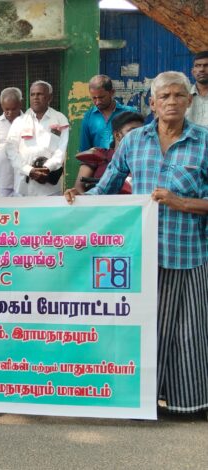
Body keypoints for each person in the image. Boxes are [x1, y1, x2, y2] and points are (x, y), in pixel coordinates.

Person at [65, 71, 208, 415]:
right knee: (143, 329)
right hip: (141, 254)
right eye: (165, 96)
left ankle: (189, 404)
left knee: (189, 333)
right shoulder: (134, 141)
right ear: (153, 104)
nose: (172, 102)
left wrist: (181, 202)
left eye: (179, 95)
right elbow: (106, 187)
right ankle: (142, 401)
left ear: (189, 101)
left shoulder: (204, 142)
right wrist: (77, 199)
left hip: (189, 253)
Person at [4, 81, 70, 197]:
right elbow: (11, 150)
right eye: (32, 94)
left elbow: (61, 150)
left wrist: (47, 168)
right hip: (23, 186)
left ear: (49, 97)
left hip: (49, 188)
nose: (35, 97)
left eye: (39, 94)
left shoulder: (60, 119)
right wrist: (28, 170)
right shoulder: (19, 121)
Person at [71, 111, 145, 195]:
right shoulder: (98, 154)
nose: (139, 135)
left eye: (142, 132)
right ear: (117, 135)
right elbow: (79, 187)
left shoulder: (146, 159)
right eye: (133, 131)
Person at [78, 75, 137, 152]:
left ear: (112, 92)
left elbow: (139, 144)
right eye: (94, 98)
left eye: (101, 97)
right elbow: (85, 151)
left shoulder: (130, 114)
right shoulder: (88, 117)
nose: (98, 102)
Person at [0, 87, 24, 197]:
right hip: (3, 180)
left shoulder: (29, 123)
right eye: (6, 109)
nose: (10, 113)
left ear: (20, 104)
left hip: (23, 179)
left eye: (13, 109)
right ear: (1, 104)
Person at [186, 51, 208, 127]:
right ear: (193, 71)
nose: (201, 69)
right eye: (197, 66)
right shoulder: (184, 95)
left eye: (206, 65)